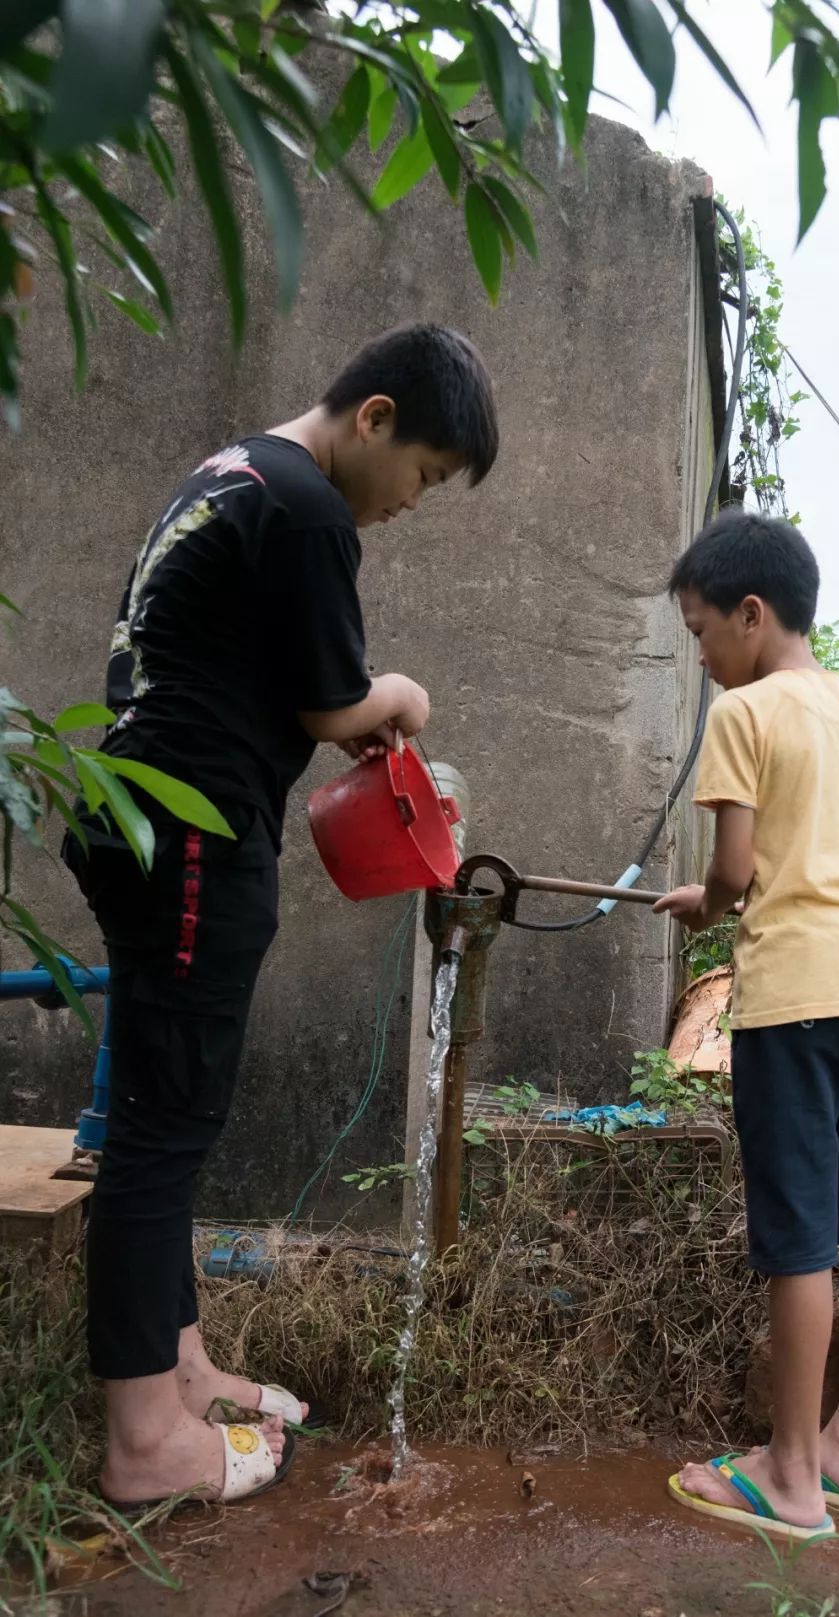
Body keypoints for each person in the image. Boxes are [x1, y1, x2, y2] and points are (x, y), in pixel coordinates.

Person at [63, 324, 498, 1509]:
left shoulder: (235, 473)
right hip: (193, 836)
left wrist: (331, 708)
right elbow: (336, 702)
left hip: (141, 816)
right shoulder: (308, 508)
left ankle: (179, 1366)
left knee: (166, 1112)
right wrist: (398, 695)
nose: (411, 502)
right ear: (375, 418)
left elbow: (254, 676)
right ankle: (144, 1440)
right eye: (423, 472)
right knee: (161, 1128)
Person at [654, 508, 839, 1542]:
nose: (702, 657)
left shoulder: (747, 713)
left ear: (751, 613)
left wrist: (713, 903)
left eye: (700, 632)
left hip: (792, 1000)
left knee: (799, 1234)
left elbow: (735, 873)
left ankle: (792, 1474)